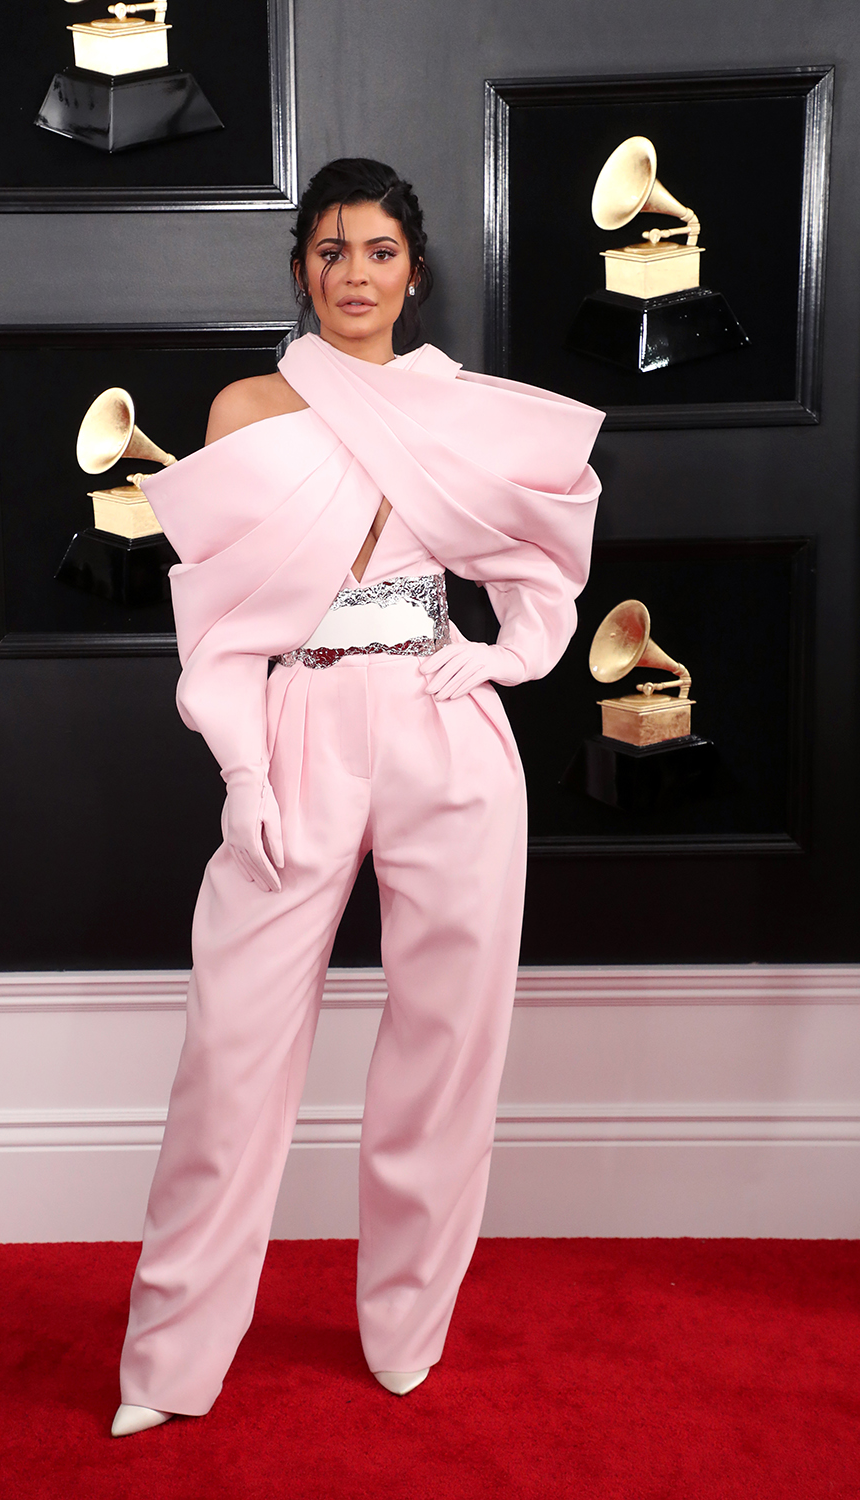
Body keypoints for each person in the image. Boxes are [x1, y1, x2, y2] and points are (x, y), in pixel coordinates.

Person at [112, 158, 602, 1436]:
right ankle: (168, 1369)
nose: (354, 275)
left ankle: (406, 1330)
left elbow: (543, 555)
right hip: (303, 715)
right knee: (232, 1053)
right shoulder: (247, 405)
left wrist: (505, 655)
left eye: (378, 251)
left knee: (449, 1046)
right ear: (299, 270)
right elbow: (214, 627)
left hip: (445, 723)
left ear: (413, 270)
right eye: (329, 252)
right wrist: (241, 764)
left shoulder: (456, 407)